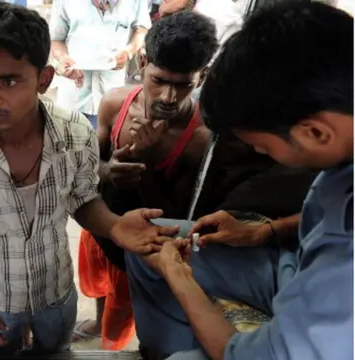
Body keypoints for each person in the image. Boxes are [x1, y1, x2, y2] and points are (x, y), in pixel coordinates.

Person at [0, 2, 179, 355]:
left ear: (44, 79)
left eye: (9, 81)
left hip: (55, 292)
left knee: (56, 353)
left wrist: (114, 226)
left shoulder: (75, 133)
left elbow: (83, 201)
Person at [127, 2, 353, 359]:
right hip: (294, 259)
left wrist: (179, 275)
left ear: (314, 132)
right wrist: (266, 231)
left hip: (317, 294)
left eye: (262, 147)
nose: (263, 157)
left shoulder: (344, 271)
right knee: (147, 242)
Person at [75, 12, 218, 350]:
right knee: (97, 285)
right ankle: (98, 322)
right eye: (159, 80)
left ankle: (112, 342)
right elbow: (85, 167)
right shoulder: (114, 103)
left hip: (144, 247)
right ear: (143, 62)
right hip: (101, 226)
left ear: (203, 76)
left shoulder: (199, 138)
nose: (169, 97)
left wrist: (149, 164)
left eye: (184, 84)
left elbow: (175, 220)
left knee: (125, 304)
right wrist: (108, 171)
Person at [50, 0, 152, 128]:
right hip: (74, 94)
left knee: (107, 144)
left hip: (112, 92)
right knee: (70, 141)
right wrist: (63, 58)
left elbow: (141, 29)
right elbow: (56, 39)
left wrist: (129, 51)